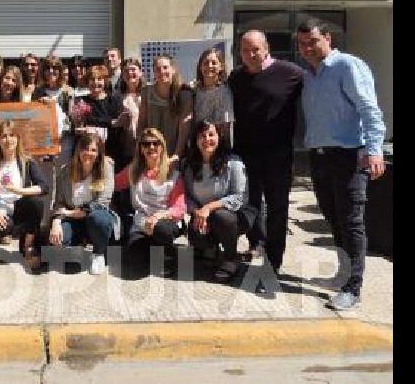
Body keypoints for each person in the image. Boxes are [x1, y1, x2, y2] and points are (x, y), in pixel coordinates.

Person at [297, 19, 386, 311]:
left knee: (351, 222)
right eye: (302, 44)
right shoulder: (309, 75)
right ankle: (343, 273)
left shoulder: (347, 66)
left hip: (349, 155)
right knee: (333, 218)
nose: (307, 48)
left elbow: (370, 110)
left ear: (328, 38)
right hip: (320, 156)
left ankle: (353, 287)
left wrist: (374, 151)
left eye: (313, 42)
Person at [227, 30, 304, 270]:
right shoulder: (236, 77)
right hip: (245, 154)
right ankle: (255, 244)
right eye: (245, 50)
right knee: (248, 206)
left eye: (255, 49)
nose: (250, 54)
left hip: (277, 156)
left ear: (266, 47)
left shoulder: (291, 73)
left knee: (277, 209)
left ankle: (273, 263)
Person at [0, 121, 50, 267]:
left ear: (18, 138)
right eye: (4, 136)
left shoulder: (26, 161)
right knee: (0, 225)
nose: (8, 140)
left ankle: (27, 246)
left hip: (19, 206)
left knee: (36, 203)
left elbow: (44, 187)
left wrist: (20, 191)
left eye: (12, 135)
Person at [182, 121, 249, 283]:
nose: (207, 139)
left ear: (219, 137)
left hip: (233, 216)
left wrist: (209, 208)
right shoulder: (190, 165)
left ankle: (230, 258)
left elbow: (240, 197)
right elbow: (186, 196)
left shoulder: (233, 162)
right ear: (196, 140)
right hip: (203, 215)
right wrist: (197, 212)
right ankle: (211, 250)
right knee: (195, 234)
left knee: (222, 217)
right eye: (202, 136)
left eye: (211, 134)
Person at [115, 128, 185, 277]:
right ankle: (156, 251)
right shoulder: (133, 171)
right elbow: (113, 184)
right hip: (142, 224)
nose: (151, 147)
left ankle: (168, 255)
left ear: (162, 147)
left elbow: (179, 208)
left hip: (165, 221)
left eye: (155, 143)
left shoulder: (173, 173)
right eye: (146, 144)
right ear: (140, 148)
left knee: (161, 230)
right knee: (133, 257)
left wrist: (158, 217)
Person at [46, 131, 117, 275]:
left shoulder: (106, 168)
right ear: (78, 150)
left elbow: (102, 203)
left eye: (93, 150)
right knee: (59, 239)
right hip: (74, 220)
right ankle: (78, 244)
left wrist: (69, 212)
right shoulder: (65, 171)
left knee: (99, 218)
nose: (88, 153)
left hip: (96, 218)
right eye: (85, 149)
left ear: (98, 153)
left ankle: (98, 254)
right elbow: (59, 203)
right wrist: (56, 223)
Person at [137, 55, 194, 158]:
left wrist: (176, 156)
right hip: (152, 153)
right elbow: (142, 122)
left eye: (165, 68)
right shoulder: (146, 92)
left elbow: (184, 128)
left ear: (173, 69)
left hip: (175, 153)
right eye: (158, 69)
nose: (162, 71)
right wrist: (141, 151)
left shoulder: (184, 93)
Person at [70, 65, 128, 166]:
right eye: (92, 79)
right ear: (87, 81)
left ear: (105, 81)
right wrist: (111, 123)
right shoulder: (81, 101)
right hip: (87, 154)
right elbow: (82, 124)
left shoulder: (115, 101)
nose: (96, 82)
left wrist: (112, 124)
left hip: (111, 152)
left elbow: (119, 125)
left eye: (99, 79)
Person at [32, 56, 76, 163]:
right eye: (48, 68)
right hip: (44, 142)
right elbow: (33, 118)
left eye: (55, 68)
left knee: (63, 175)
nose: (51, 71)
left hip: (64, 141)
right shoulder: (37, 92)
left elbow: (72, 118)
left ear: (60, 71)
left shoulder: (68, 91)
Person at [192, 46, 233, 140]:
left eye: (214, 63)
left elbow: (226, 124)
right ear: (200, 67)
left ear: (221, 66)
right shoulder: (194, 90)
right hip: (196, 141)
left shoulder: (225, 91)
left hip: (217, 143)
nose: (209, 66)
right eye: (206, 63)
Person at [114, 57, 145, 171]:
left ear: (140, 72)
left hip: (145, 148)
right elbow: (112, 121)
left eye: (133, 70)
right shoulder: (117, 97)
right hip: (124, 150)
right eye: (126, 71)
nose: (130, 73)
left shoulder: (148, 94)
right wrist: (118, 121)